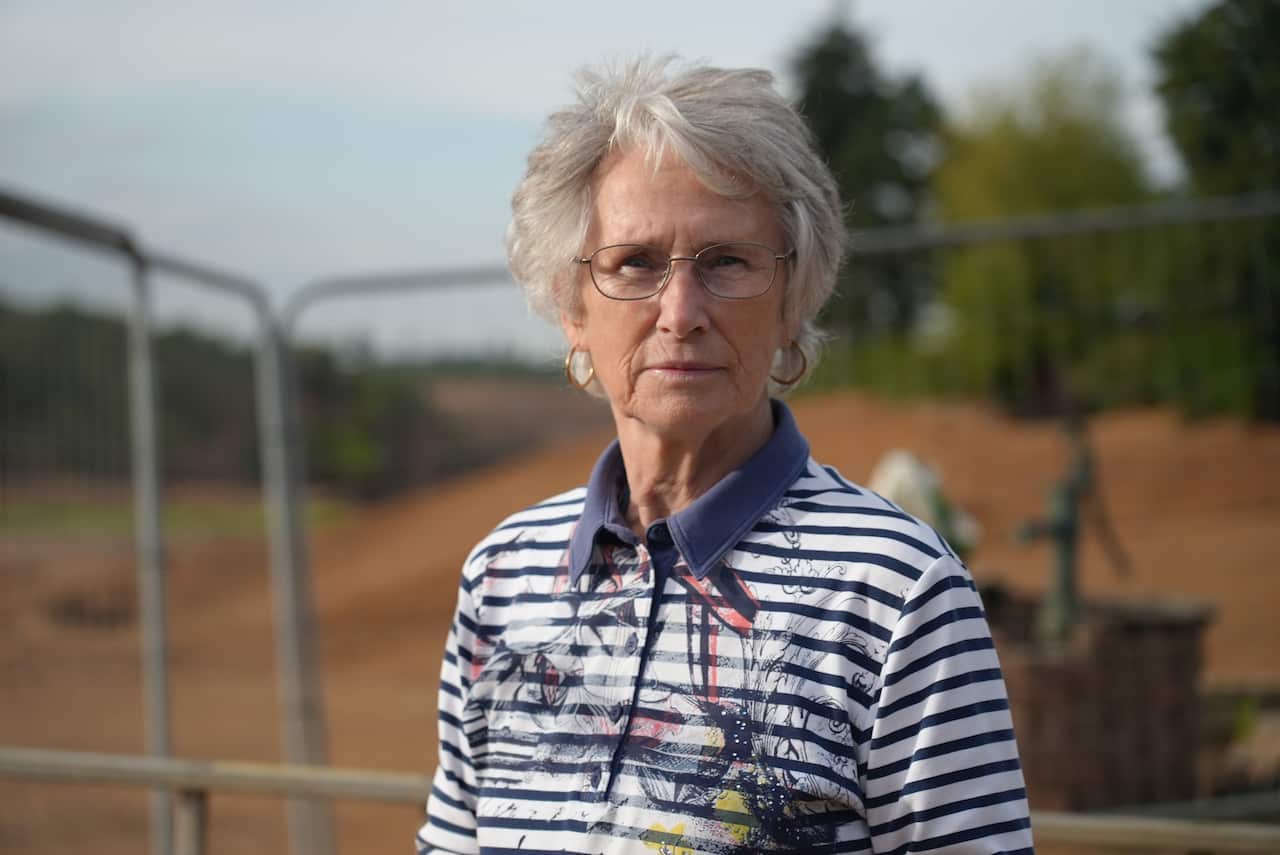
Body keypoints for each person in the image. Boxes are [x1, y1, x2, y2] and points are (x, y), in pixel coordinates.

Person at [417, 58, 1034, 855]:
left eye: (727, 262)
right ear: (573, 309)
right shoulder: (501, 576)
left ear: (793, 298)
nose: (681, 312)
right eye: (634, 263)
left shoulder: (898, 592)